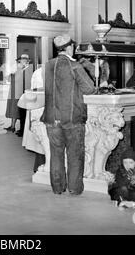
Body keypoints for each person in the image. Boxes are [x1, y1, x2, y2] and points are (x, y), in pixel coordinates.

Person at [41, 35, 95, 195]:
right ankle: (74, 188)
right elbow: (89, 88)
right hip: (72, 118)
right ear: (70, 47)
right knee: (74, 154)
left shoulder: (48, 65)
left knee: (56, 154)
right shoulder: (74, 66)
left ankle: (57, 188)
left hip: (51, 118)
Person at [16, 54, 33, 137]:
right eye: (21, 59)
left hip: (27, 94)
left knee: (26, 114)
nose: (21, 61)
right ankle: (22, 129)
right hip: (21, 94)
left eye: (23, 59)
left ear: (27, 60)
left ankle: (25, 131)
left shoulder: (30, 69)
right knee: (21, 113)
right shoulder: (20, 69)